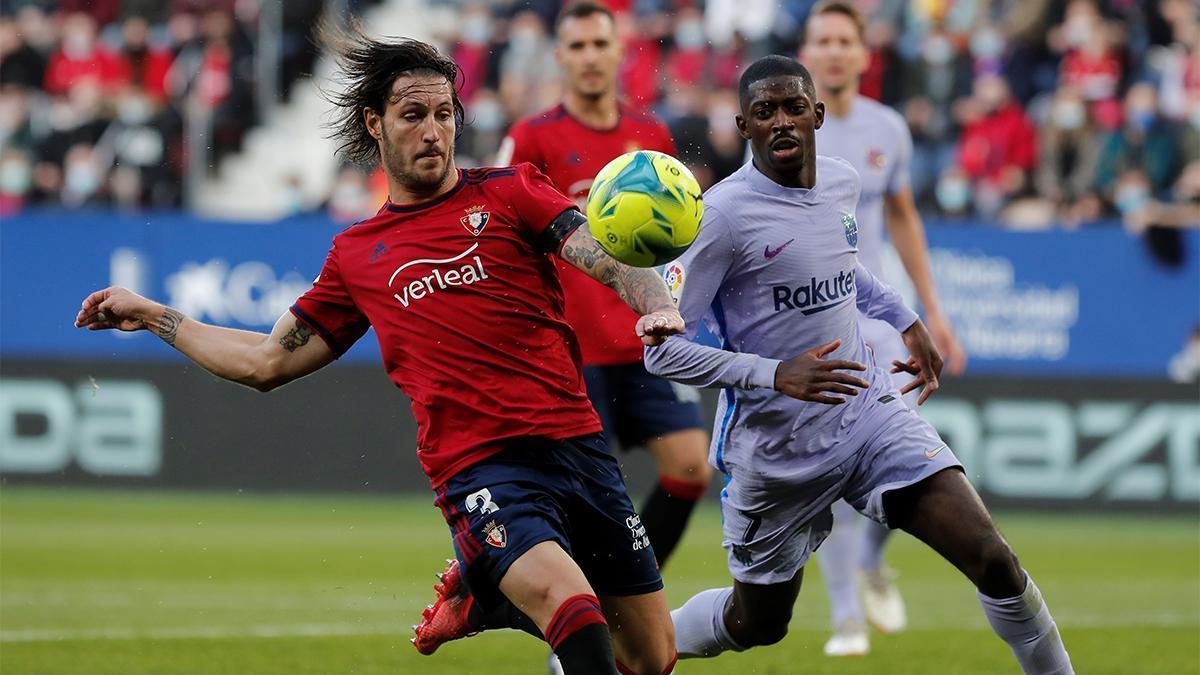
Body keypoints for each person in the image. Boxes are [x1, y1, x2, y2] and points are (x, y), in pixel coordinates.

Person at [74, 31, 679, 675]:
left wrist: (656, 304)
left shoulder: (509, 193)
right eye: (413, 115)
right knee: (576, 616)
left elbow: (607, 255)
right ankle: (498, 580)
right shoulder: (359, 254)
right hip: (483, 471)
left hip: (579, 449)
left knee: (651, 658)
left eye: (444, 115)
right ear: (376, 123)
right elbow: (266, 362)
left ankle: (487, 606)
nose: (433, 132)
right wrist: (157, 315)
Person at [644, 55, 1075, 675]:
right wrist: (772, 372)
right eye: (764, 112)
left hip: (867, 414)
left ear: (817, 114)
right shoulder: (719, 217)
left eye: (794, 106)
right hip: (776, 453)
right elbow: (660, 349)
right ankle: (617, 647)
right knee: (757, 624)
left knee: (992, 557)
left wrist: (908, 320)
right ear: (744, 126)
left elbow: (846, 267)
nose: (782, 121)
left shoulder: (843, 182)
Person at [495, 0, 711, 570]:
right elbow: (500, 230)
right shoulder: (531, 139)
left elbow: (675, 238)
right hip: (571, 351)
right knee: (585, 500)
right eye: (578, 46)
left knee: (691, 466)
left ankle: (630, 596)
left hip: (645, 340)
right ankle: (579, 633)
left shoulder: (650, 134)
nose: (590, 56)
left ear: (619, 51)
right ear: (560, 56)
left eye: (600, 44)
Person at [797, 1, 967, 656]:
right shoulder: (786, 126)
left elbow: (903, 216)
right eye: (823, 40)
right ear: (807, 50)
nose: (834, 50)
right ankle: (845, 615)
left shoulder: (888, 128)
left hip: (878, 319)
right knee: (834, 476)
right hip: (811, 326)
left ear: (864, 54)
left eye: (845, 40)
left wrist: (934, 311)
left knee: (917, 459)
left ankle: (870, 556)